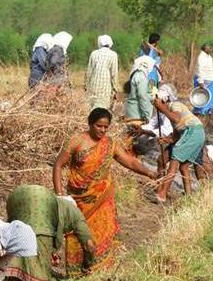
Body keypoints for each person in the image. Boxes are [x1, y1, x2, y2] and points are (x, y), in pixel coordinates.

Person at [54, 108, 157, 268]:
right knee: (76, 233)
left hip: (102, 198)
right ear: (90, 124)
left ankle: (100, 269)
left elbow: (129, 162)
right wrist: (60, 194)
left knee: (102, 231)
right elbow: (58, 165)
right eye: (98, 126)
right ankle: (77, 270)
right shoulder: (77, 141)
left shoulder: (110, 144)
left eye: (105, 127)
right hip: (79, 199)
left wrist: (149, 172)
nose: (102, 130)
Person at [2, 185, 95, 281]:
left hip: (16, 197)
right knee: (40, 271)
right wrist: (87, 267)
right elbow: (89, 245)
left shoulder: (53, 203)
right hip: (41, 222)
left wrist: (49, 253)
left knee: (15, 253)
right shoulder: (76, 214)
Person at [153, 84, 206, 202]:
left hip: (194, 132)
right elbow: (176, 135)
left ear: (166, 98)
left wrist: (161, 108)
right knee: (163, 160)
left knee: (175, 161)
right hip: (189, 134)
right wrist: (167, 140)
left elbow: (176, 118)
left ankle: (162, 194)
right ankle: (186, 195)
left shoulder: (175, 105)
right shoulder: (169, 111)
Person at [85, 35, 119, 110]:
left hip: (93, 85)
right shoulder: (113, 55)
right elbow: (114, 73)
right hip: (105, 87)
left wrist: (86, 84)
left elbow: (89, 71)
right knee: (102, 108)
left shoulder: (94, 53)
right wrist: (116, 89)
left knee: (92, 108)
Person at [124, 56, 157, 125]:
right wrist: (146, 116)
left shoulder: (138, 75)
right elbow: (142, 96)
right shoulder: (141, 76)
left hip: (133, 113)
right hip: (137, 115)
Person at [193, 44, 213, 115]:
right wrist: (200, 81)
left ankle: (210, 110)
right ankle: (199, 112)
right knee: (201, 96)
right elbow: (200, 69)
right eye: (209, 47)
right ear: (205, 49)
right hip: (202, 79)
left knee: (212, 95)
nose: (210, 48)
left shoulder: (209, 57)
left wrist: (212, 78)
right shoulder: (201, 57)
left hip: (210, 79)